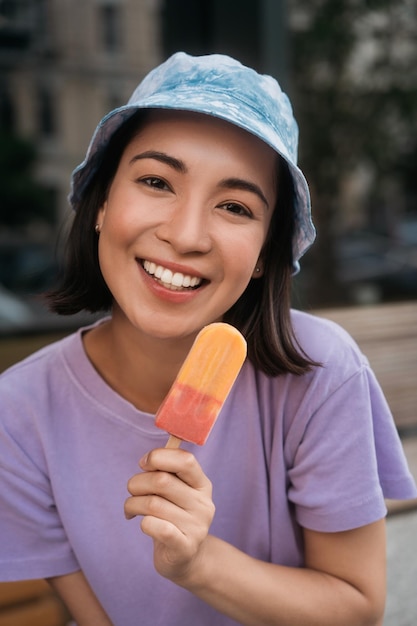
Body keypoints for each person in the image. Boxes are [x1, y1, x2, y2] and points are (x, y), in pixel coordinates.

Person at [0, 52, 416, 626]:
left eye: (235, 206)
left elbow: (358, 605)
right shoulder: (18, 414)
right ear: (98, 204)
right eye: (155, 181)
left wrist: (199, 563)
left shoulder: (323, 373)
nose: (187, 235)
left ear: (269, 253)